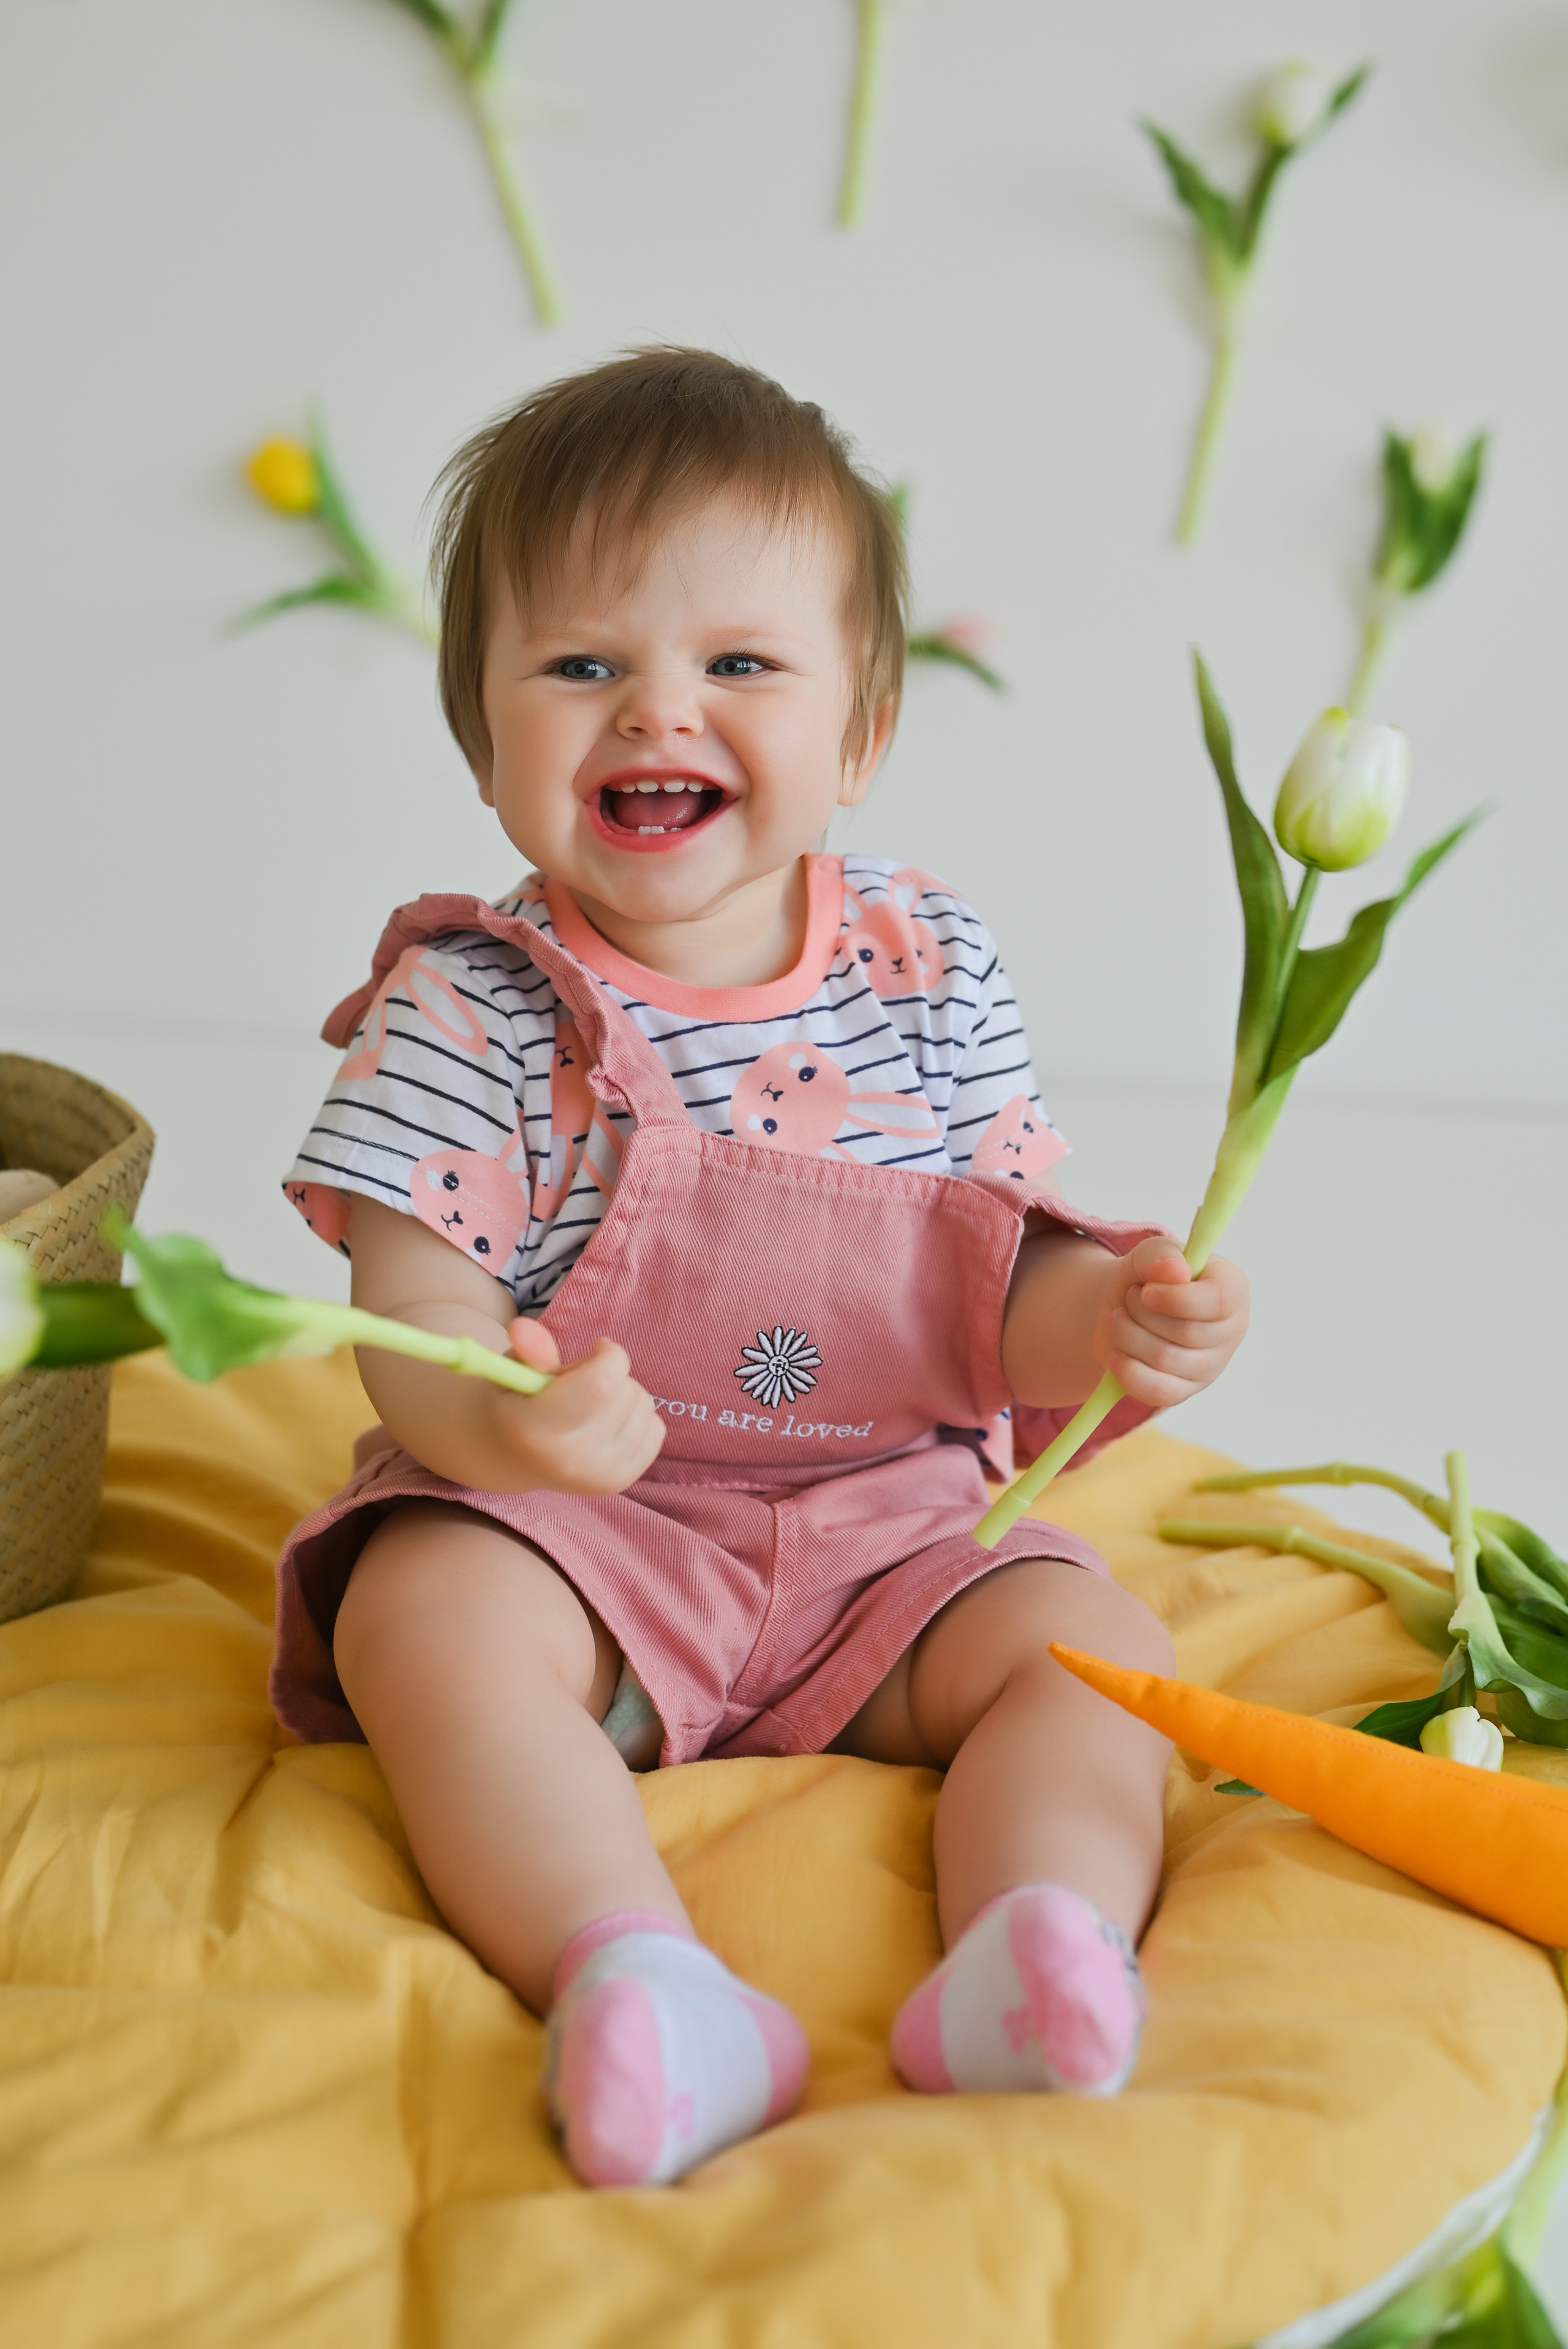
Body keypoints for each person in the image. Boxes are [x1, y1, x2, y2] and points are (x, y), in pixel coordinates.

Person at [272, 349, 1249, 2189]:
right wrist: (500, 1425)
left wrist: (1114, 1316)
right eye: (581, 665)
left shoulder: (928, 964)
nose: (657, 709)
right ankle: (634, 1973)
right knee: (422, 1615)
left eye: (738, 664)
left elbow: (990, 1279)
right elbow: (405, 1308)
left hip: (889, 1533)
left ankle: (1037, 1947)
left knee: (1091, 1652)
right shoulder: (467, 1003)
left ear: (861, 729)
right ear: (485, 737)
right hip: (586, 1539)